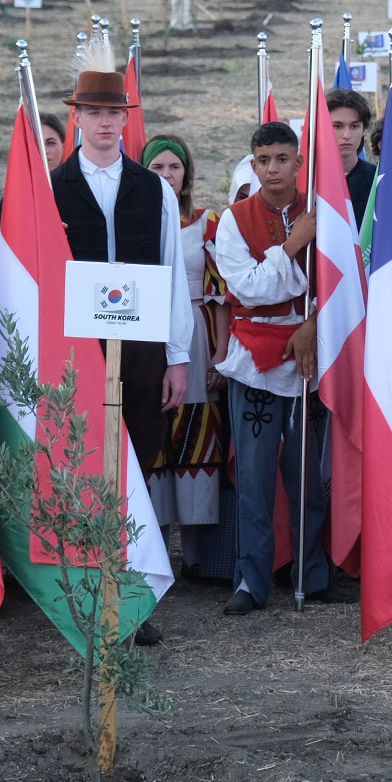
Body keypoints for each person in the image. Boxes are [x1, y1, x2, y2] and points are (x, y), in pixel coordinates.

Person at [53, 41, 192, 644]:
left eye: (115, 113)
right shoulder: (52, 186)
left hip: (138, 351)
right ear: (77, 118)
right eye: (94, 112)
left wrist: (178, 356)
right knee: (82, 465)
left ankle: (130, 599)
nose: (105, 122)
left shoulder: (152, 188)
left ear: (125, 120)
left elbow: (170, 275)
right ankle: (85, 597)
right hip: (76, 349)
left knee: (131, 470)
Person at [213, 122, 340, 611]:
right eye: (264, 160)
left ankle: (313, 574)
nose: (273, 169)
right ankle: (252, 580)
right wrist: (292, 245)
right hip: (255, 360)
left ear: (298, 161)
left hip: (312, 355)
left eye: (283, 159)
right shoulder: (234, 220)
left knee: (306, 478)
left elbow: (340, 284)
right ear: (253, 162)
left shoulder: (322, 212)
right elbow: (248, 289)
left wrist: (312, 323)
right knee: (254, 477)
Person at [142, 135, 228, 567]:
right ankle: (154, 554)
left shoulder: (207, 222)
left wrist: (219, 354)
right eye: (157, 168)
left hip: (195, 331)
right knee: (152, 431)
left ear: (187, 173)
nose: (166, 175)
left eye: (174, 167)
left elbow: (220, 295)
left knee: (197, 436)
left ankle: (195, 558)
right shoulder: (134, 220)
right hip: (146, 334)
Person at [325, 89, 377, 227]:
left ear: (364, 129)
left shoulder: (377, 180)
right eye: (337, 126)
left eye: (354, 126)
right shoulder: (309, 180)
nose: (346, 135)